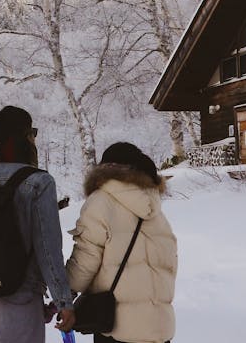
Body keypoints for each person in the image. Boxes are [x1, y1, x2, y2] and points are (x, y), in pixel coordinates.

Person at [0, 105, 76, 343]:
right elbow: (47, 248)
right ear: (26, 138)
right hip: (19, 299)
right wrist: (63, 301)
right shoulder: (38, 182)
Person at [66, 142, 177, 343]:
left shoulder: (100, 202)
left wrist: (64, 293)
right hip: (160, 328)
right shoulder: (157, 212)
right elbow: (170, 265)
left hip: (118, 327)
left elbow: (86, 258)